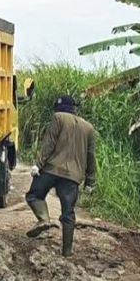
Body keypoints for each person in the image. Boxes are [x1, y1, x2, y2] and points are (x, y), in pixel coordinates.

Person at [25, 95, 97, 256]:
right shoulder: (89, 128)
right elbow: (91, 156)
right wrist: (90, 181)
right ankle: (67, 251)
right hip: (73, 176)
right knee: (68, 214)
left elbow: (49, 143)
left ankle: (44, 219)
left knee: (34, 195)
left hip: (52, 169)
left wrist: (38, 164)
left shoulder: (58, 117)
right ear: (74, 109)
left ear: (59, 108)